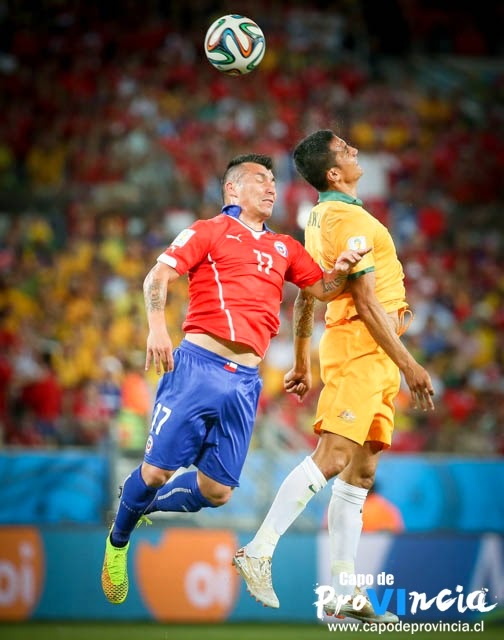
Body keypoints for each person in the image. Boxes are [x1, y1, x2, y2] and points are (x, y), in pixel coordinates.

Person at [101, 153, 369, 605]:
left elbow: (322, 289)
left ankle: (140, 504)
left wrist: (341, 267)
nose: (270, 187)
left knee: (218, 491)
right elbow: (158, 275)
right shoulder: (210, 231)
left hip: (245, 382)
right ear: (232, 189)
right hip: (197, 369)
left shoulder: (285, 247)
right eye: (259, 179)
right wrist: (157, 328)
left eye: (273, 181)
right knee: (157, 471)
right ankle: (118, 542)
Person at [232, 131, 435, 622]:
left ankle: (344, 589)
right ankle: (259, 549)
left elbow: (308, 292)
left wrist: (303, 360)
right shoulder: (346, 219)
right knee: (334, 456)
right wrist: (409, 364)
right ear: (333, 173)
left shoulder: (324, 218)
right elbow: (364, 301)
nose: (356, 151)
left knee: (360, 471)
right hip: (365, 345)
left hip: (373, 350)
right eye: (346, 150)